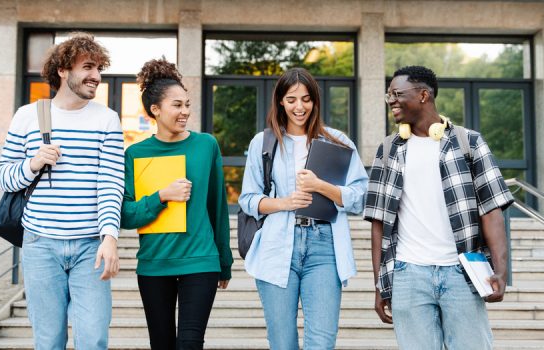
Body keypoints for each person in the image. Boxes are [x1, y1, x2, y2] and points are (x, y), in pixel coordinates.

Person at [364, 65, 514, 349]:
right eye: (389, 96)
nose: (391, 101)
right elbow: (378, 222)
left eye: (397, 94)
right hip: (408, 275)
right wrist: (379, 285)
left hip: (461, 274)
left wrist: (501, 271)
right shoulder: (387, 149)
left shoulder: (468, 143)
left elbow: (492, 211)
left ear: (423, 95)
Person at [0, 32, 124, 349]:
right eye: (88, 67)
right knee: (48, 340)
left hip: (90, 247)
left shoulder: (107, 119)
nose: (95, 76)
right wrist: (33, 163)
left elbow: (110, 182)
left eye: (98, 69)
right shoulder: (27, 116)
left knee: (93, 339)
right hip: (40, 245)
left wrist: (110, 236)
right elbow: (4, 177)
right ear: (63, 70)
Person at [239, 67, 368, 349]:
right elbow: (247, 199)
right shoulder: (263, 142)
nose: (300, 107)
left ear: (315, 101)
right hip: (277, 244)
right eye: (292, 99)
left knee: (321, 342)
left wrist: (322, 186)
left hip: (325, 246)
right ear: (281, 102)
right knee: (282, 342)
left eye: (306, 99)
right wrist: (285, 203)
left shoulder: (337, 141)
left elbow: (361, 197)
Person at [121, 58, 233, 350]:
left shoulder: (206, 145)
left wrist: (225, 261)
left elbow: (217, 207)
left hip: (200, 260)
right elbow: (125, 214)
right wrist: (160, 197)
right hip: (155, 264)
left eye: (187, 104)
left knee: (190, 343)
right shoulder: (135, 153)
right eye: (177, 105)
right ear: (155, 110)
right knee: (161, 344)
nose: (185, 112)